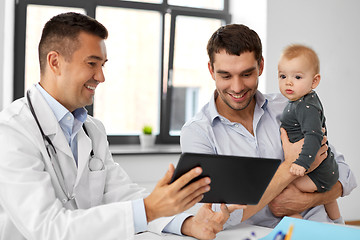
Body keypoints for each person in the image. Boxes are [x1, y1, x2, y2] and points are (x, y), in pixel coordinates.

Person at [0, 12, 245, 240]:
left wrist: (189, 223)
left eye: (102, 65)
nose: (101, 77)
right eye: (92, 63)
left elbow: (123, 195)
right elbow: (48, 228)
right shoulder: (12, 131)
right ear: (55, 62)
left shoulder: (91, 130)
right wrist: (149, 209)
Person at [180, 24, 357, 228]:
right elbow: (221, 215)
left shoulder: (289, 107)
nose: (237, 88)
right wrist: (289, 167)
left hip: (321, 228)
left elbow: (345, 174)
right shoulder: (197, 133)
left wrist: (308, 201)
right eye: (226, 76)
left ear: (261, 66)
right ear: (211, 70)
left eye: (246, 74)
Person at [278, 44, 341, 222]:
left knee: (283, 192)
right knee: (328, 195)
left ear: (314, 81)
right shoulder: (300, 100)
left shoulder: (307, 106)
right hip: (326, 169)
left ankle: (298, 224)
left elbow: (314, 136)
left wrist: (302, 163)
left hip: (317, 171)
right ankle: (338, 222)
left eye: (297, 77)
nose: (288, 82)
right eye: (283, 76)